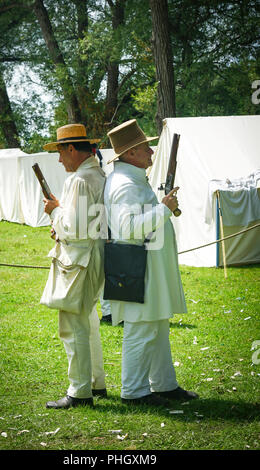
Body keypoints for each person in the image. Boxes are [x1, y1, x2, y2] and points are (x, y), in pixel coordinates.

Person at [104, 119, 199, 406]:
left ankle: (164, 385)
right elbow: (128, 229)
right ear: (130, 153)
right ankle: (133, 392)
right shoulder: (125, 184)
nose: (151, 152)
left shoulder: (130, 178)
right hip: (139, 267)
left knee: (156, 326)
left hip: (145, 266)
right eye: (146, 147)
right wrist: (164, 209)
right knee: (141, 330)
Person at [41, 123, 107, 409]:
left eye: (60, 152)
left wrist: (54, 211)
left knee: (73, 327)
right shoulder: (96, 175)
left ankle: (80, 392)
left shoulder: (79, 180)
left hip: (80, 260)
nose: (59, 159)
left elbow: (75, 228)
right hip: (89, 257)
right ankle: (95, 383)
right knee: (87, 322)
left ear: (71, 148)